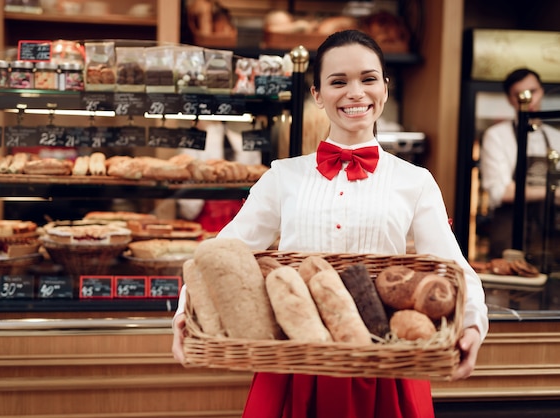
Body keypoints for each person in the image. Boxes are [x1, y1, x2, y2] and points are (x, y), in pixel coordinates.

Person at [172, 29, 488, 418]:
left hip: (385, 364)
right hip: (294, 362)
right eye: (338, 82)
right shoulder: (281, 176)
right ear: (317, 94)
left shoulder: (416, 181)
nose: (355, 93)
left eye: (368, 79)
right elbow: (221, 255)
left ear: (384, 89)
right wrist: (186, 313)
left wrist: (473, 325)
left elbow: (453, 269)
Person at [479, 68, 560, 261]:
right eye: (519, 95)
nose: (528, 99)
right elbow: (501, 192)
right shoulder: (497, 136)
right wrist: (553, 192)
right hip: (508, 236)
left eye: (533, 92)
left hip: (548, 238)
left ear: (541, 92)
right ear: (509, 99)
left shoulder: (556, 137)